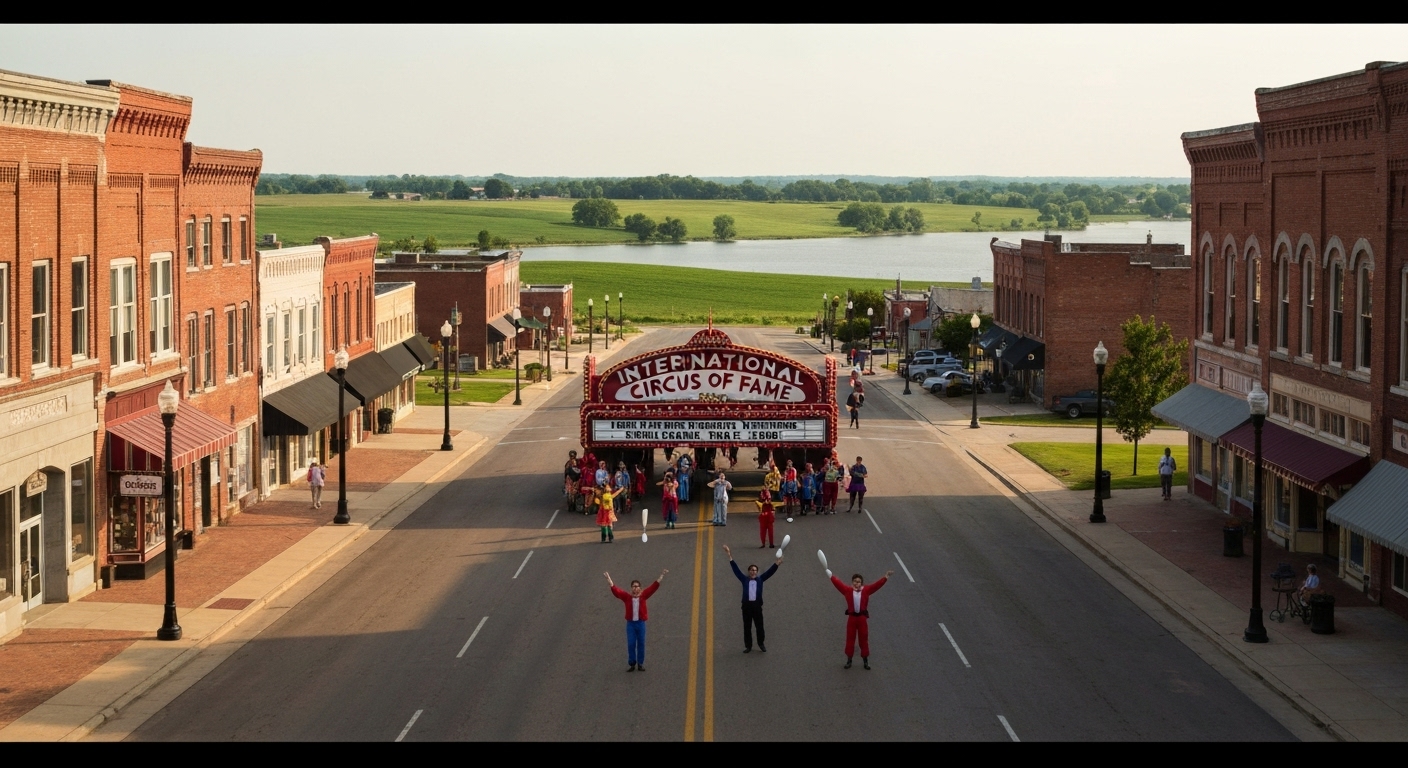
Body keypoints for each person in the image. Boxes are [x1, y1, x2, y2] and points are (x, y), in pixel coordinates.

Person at [829, 569, 893, 670]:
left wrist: (885, 577)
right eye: (855, 581)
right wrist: (831, 576)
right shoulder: (847, 590)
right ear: (852, 582)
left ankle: (865, 661)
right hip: (852, 618)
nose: (856, 583)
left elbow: (876, 586)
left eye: (858, 581)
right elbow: (838, 584)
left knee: (863, 639)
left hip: (862, 619)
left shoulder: (866, 590)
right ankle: (849, 660)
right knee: (850, 639)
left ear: (861, 583)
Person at [605, 569, 667, 672]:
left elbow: (653, 588)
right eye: (634, 586)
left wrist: (661, 576)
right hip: (631, 624)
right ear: (631, 588)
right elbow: (617, 592)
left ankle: (640, 663)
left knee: (641, 643)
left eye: (637, 586)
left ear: (640, 588)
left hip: (641, 623)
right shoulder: (627, 597)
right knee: (631, 643)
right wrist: (609, 580)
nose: (635, 588)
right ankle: (632, 663)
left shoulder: (644, 596)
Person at [725, 544, 780, 653]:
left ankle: (761, 643)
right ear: (749, 572)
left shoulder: (761, 579)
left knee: (759, 626)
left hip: (757, 607)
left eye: (755, 570)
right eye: (751, 570)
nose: (753, 571)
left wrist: (777, 564)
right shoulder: (744, 579)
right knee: (747, 627)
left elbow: (770, 572)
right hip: (746, 607)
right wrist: (729, 555)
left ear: (757, 572)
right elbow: (736, 570)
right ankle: (748, 646)